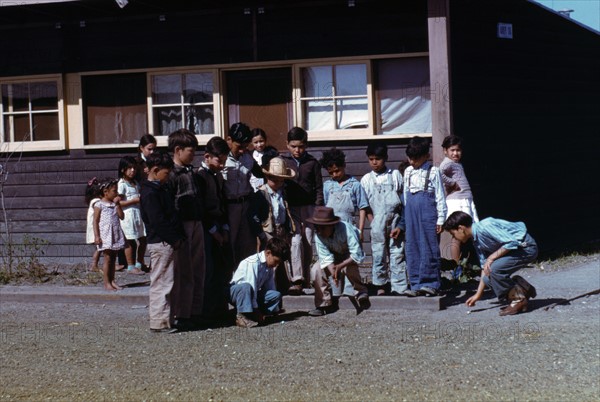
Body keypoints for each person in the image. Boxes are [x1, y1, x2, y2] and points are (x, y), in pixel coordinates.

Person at [443, 211, 538, 316]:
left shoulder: (485, 226)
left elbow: (512, 242)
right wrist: (478, 295)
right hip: (516, 251)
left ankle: (519, 300)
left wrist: (491, 257)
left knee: (495, 269)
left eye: (453, 234)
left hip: (526, 248)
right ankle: (523, 288)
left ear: (461, 228)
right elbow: (485, 267)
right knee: (488, 279)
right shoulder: (476, 240)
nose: (454, 238)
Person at [140, 151, 185, 333]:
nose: (167, 177)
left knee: (168, 281)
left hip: (166, 241)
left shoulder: (157, 190)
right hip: (162, 242)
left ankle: (166, 319)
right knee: (161, 282)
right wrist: (174, 239)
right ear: (156, 170)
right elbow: (158, 221)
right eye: (166, 173)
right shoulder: (150, 193)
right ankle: (159, 322)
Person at [167, 128, 205, 331]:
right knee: (184, 271)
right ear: (178, 149)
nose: (194, 155)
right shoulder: (172, 174)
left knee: (198, 268)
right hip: (183, 224)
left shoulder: (191, 171)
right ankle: (182, 313)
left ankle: (194, 310)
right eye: (191, 150)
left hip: (197, 222)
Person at [319, 147, 369, 297]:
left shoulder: (355, 184)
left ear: (343, 166)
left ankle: (352, 288)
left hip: (349, 228)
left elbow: (362, 208)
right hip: (331, 230)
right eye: (331, 173)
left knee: (349, 260)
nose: (335, 175)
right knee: (333, 258)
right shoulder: (328, 186)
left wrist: (360, 230)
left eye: (337, 171)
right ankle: (335, 287)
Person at [281, 127, 324, 295]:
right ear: (287, 145)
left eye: (300, 146)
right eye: (293, 146)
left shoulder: (312, 163)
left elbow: (319, 188)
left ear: (306, 145)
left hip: (309, 208)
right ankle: (297, 279)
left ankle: (306, 279)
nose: (297, 150)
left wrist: (318, 207)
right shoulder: (283, 161)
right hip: (291, 208)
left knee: (307, 241)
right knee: (295, 240)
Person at [360, 143, 407, 296]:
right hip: (377, 220)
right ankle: (380, 284)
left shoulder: (395, 175)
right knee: (378, 253)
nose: (374, 162)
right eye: (371, 159)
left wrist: (400, 223)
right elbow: (365, 204)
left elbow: (402, 198)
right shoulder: (366, 179)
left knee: (397, 252)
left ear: (385, 158)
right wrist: (372, 221)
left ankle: (398, 286)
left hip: (395, 219)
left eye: (378, 159)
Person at [403, 137, 447, 296]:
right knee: (412, 244)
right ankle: (415, 283)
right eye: (410, 157)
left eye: (415, 158)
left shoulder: (433, 171)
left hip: (428, 209)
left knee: (428, 244)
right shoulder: (408, 171)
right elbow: (405, 195)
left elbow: (440, 196)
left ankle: (430, 283)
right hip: (411, 210)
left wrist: (441, 218)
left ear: (425, 156)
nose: (412, 161)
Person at [307, 207, 371, 316]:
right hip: (333, 256)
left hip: (348, 255)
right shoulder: (318, 235)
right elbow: (326, 258)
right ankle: (324, 304)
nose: (319, 231)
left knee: (349, 267)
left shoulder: (346, 229)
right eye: (317, 227)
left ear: (331, 225)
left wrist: (340, 266)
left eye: (322, 228)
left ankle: (360, 293)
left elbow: (356, 254)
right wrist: (334, 274)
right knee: (316, 269)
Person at [197, 136, 234, 319]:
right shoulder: (200, 176)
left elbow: (223, 202)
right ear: (207, 157)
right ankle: (206, 311)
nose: (222, 165)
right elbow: (202, 208)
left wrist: (225, 228)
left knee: (223, 268)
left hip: (220, 225)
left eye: (224, 161)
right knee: (208, 271)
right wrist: (214, 232)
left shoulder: (219, 176)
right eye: (219, 161)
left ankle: (220, 309)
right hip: (208, 229)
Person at [222, 122, 264, 268]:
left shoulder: (248, 157)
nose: (242, 151)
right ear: (228, 140)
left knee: (248, 244)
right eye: (239, 146)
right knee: (229, 244)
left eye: (245, 147)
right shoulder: (221, 158)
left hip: (246, 205)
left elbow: (262, 174)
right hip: (229, 207)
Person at [251, 156, 296, 292]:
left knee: (281, 258)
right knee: (271, 260)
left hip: (280, 229)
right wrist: (260, 233)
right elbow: (254, 216)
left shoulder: (283, 193)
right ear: (267, 177)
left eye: (280, 180)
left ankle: (282, 286)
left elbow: (286, 212)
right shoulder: (261, 193)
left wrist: (288, 229)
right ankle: (268, 288)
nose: (277, 183)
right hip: (267, 231)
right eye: (273, 179)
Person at [228, 237, 290, 328]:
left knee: (275, 295)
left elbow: (270, 286)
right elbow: (251, 286)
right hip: (238, 293)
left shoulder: (269, 266)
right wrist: (256, 310)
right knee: (246, 287)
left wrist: (275, 310)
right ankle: (242, 315)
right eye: (276, 261)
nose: (276, 264)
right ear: (268, 253)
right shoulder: (253, 263)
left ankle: (251, 313)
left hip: (252, 294)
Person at [439, 135, 479, 264]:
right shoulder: (447, 163)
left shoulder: (456, 164)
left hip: (466, 200)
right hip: (457, 202)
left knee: (474, 230)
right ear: (445, 151)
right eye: (452, 150)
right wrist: (452, 183)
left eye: (458, 150)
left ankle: (481, 262)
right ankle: (457, 267)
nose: (455, 153)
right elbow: (439, 173)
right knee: (457, 235)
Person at [92, 177, 126, 291]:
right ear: (105, 192)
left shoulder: (114, 204)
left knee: (113, 258)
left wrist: (118, 205)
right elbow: (95, 221)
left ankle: (112, 280)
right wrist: (97, 236)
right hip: (105, 235)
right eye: (114, 191)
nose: (117, 193)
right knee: (107, 258)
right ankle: (106, 282)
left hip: (115, 233)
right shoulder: (99, 205)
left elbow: (122, 217)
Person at [117, 156, 147, 275]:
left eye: (134, 168)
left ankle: (139, 263)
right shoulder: (122, 184)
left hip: (138, 214)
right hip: (128, 216)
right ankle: (130, 266)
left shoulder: (135, 183)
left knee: (143, 239)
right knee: (130, 241)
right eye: (129, 168)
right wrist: (133, 201)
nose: (132, 170)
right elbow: (118, 202)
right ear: (123, 170)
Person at [85, 177, 103, 272]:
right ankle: (94, 265)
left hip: (94, 227)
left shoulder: (92, 201)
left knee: (100, 248)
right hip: (95, 228)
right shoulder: (97, 201)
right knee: (99, 248)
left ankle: (95, 265)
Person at [248, 128, 268, 192]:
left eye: (261, 141)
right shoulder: (249, 156)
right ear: (251, 142)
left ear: (265, 140)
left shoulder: (270, 154)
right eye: (256, 142)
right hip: (252, 188)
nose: (259, 145)